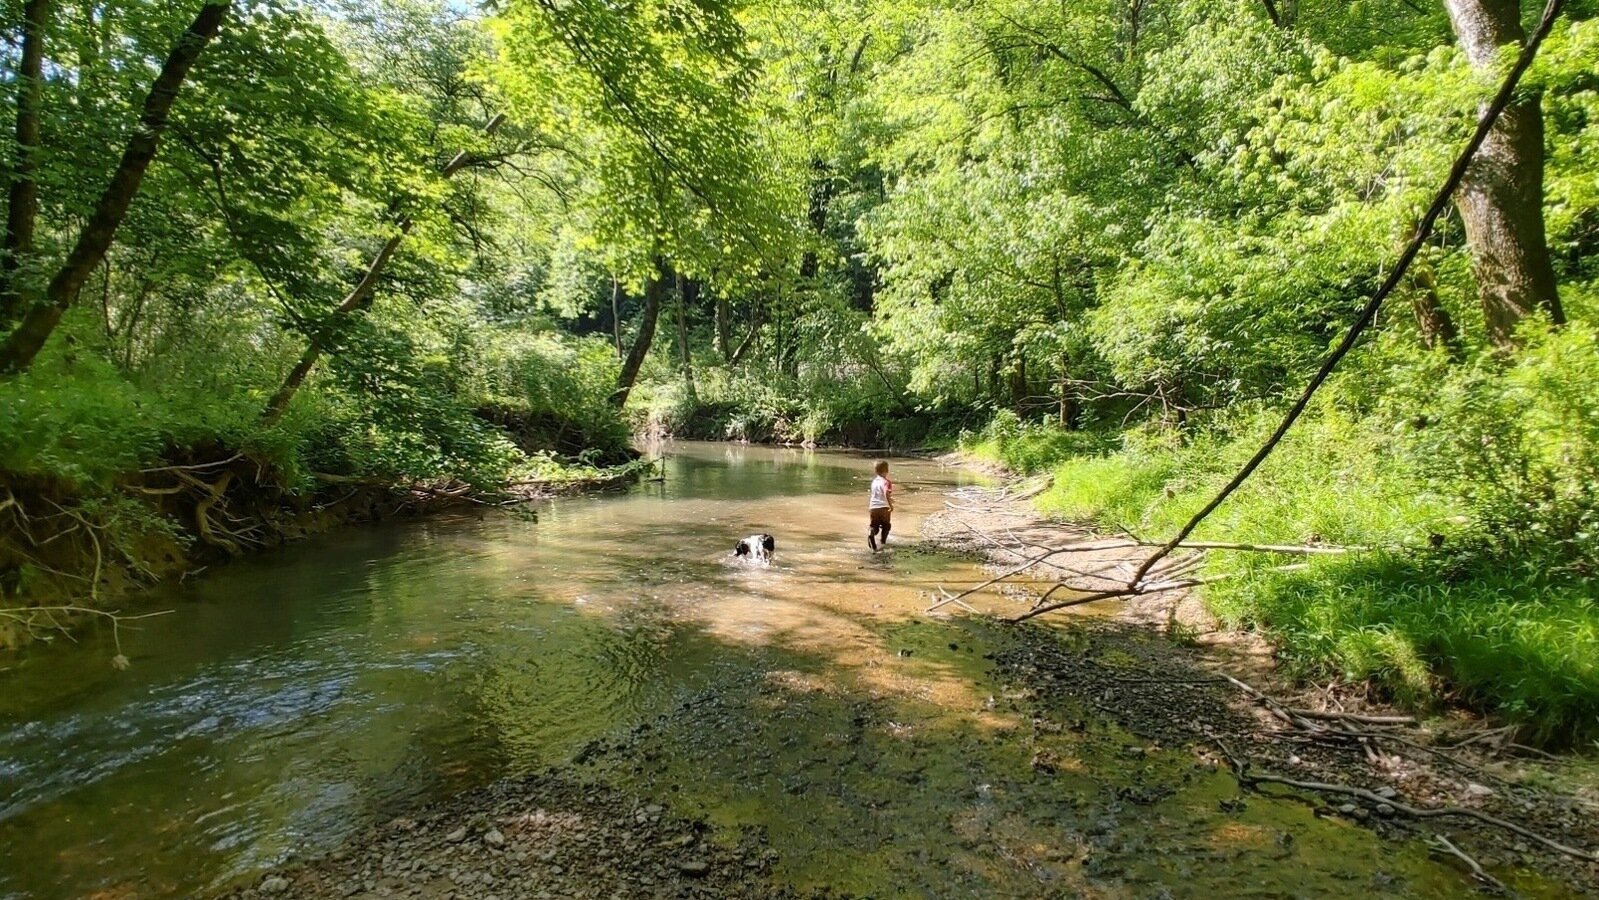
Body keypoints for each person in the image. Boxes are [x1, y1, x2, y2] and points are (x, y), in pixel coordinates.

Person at [868, 459, 894, 551]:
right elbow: (886, 492)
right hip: (884, 508)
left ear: (876, 471)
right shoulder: (886, 482)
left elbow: (878, 494)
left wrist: (890, 499)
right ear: (887, 470)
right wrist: (891, 506)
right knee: (886, 526)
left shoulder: (874, 482)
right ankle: (883, 542)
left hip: (873, 507)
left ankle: (871, 533)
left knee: (874, 526)